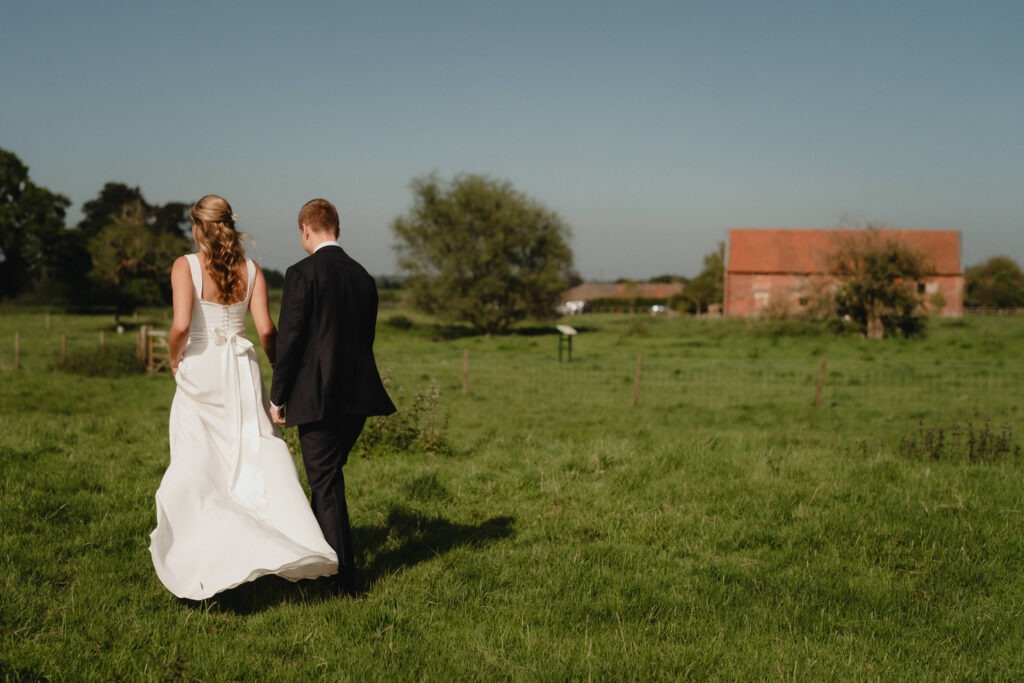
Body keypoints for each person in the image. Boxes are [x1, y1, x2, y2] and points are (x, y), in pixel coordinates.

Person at [149, 195, 338, 600]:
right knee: (255, 454)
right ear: (230, 225)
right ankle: (292, 541)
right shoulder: (252, 270)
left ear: (197, 226)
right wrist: (275, 369)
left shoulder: (185, 266)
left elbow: (181, 323)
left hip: (200, 368)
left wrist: (172, 357)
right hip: (240, 369)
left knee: (198, 459)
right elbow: (267, 330)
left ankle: (206, 554)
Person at [270, 198, 396, 594]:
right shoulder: (364, 277)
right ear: (336, 228)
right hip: (358, 399)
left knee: (324, 485)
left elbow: (289, 341)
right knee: (327, 479)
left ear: (306, 230)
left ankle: (343, 581)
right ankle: (313, 562)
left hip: (316, 397)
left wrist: (278, 397)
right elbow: (365, 340)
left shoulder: (301, 274)